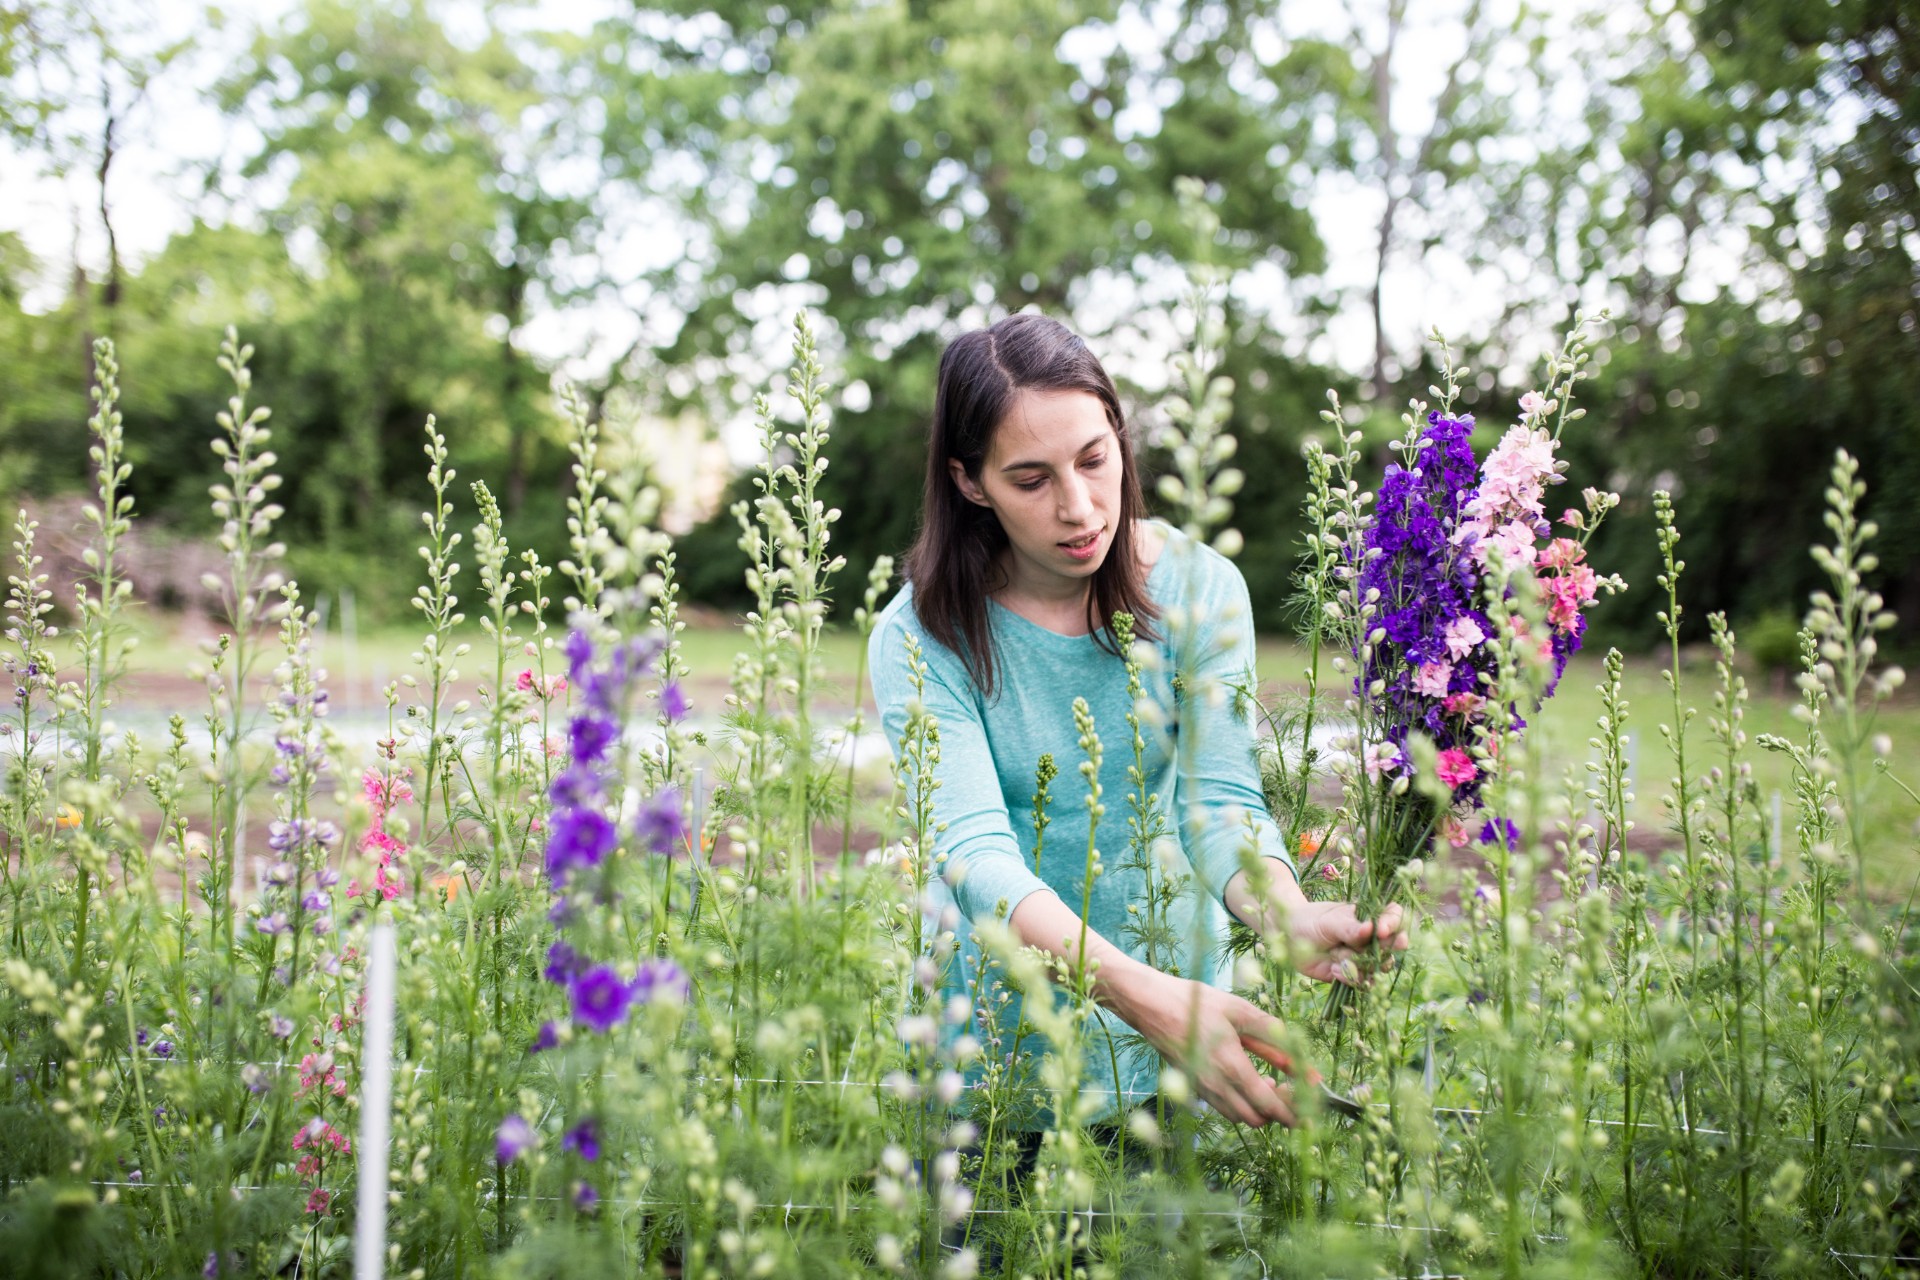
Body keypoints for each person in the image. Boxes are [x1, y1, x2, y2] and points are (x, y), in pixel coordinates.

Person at [868, 312, 1408, 1133]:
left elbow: (1218, 803)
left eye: (1093, 459)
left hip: (1187, 1039)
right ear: (970, 482)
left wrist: (1287, 914)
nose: (1080, 507)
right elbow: (973, 853)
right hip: (994, 1049)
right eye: (1030, 478)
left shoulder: (1199, 588)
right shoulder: (920, 634)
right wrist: (1135, 992)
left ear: (1121, 439)